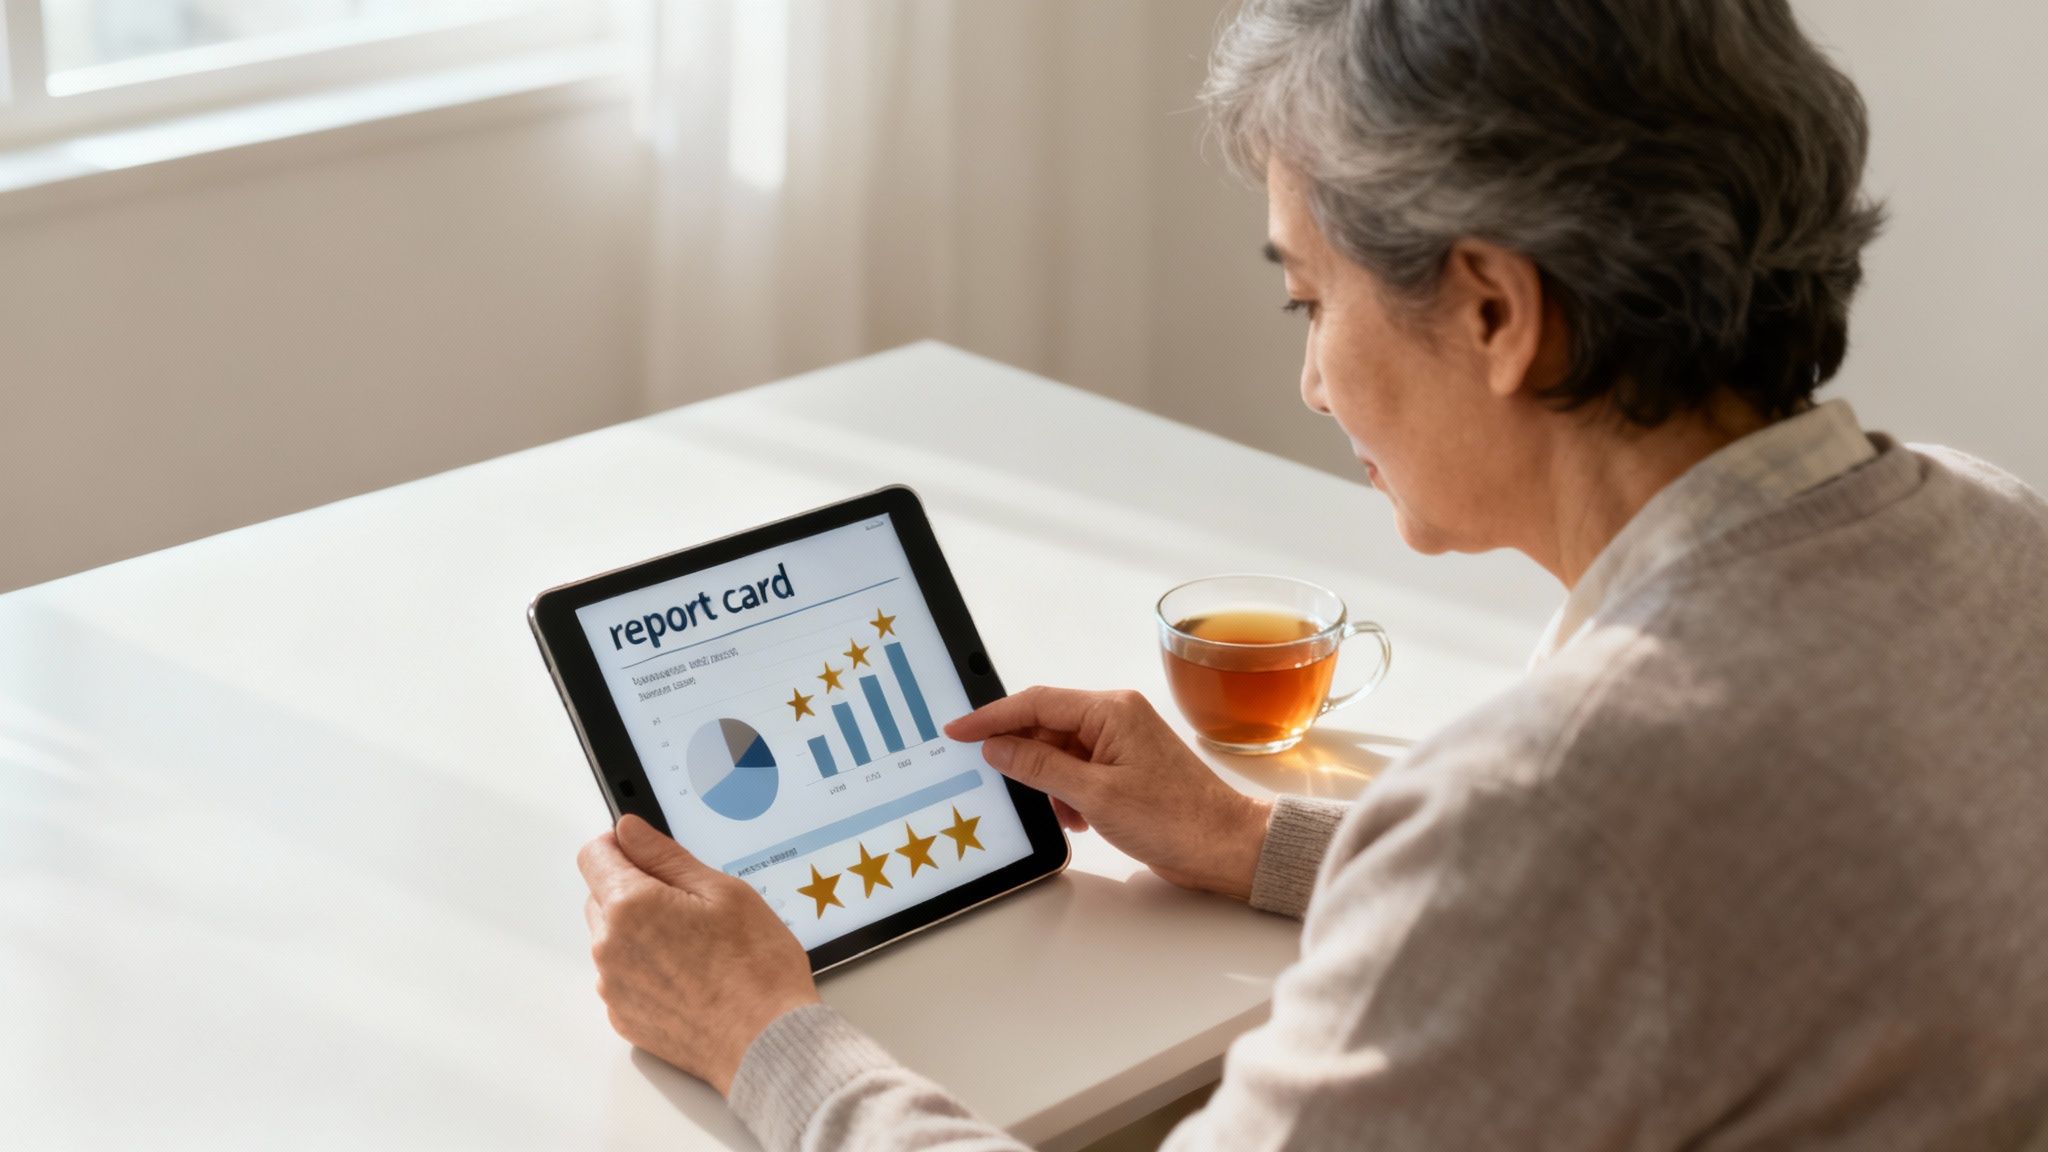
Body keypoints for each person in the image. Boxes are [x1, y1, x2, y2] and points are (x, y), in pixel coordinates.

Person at [575, 0, 2048, 1147]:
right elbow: (1682, 912)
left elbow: (1569, 869)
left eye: (1310, 298)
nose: (1312, 380)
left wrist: (761, 1036)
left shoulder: (1554, 807)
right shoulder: (2000, 534)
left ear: (1494, 311)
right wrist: (1251, 837)